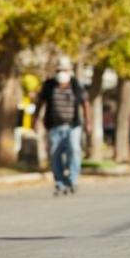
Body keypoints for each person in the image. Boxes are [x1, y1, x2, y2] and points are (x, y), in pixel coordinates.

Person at [34, 58, 89, 195]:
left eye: (64, 70)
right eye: (59, 70)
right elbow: (40, 103)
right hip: (54, 126)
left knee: (74, 150)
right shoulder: (49, 85)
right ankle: (60, 182)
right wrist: (36, 120)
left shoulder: (75, 85)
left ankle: (72, 179)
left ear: (69, 71)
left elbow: (85, 104)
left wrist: (88, 122)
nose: (61, 73)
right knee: (55, 154)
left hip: (73, 126)